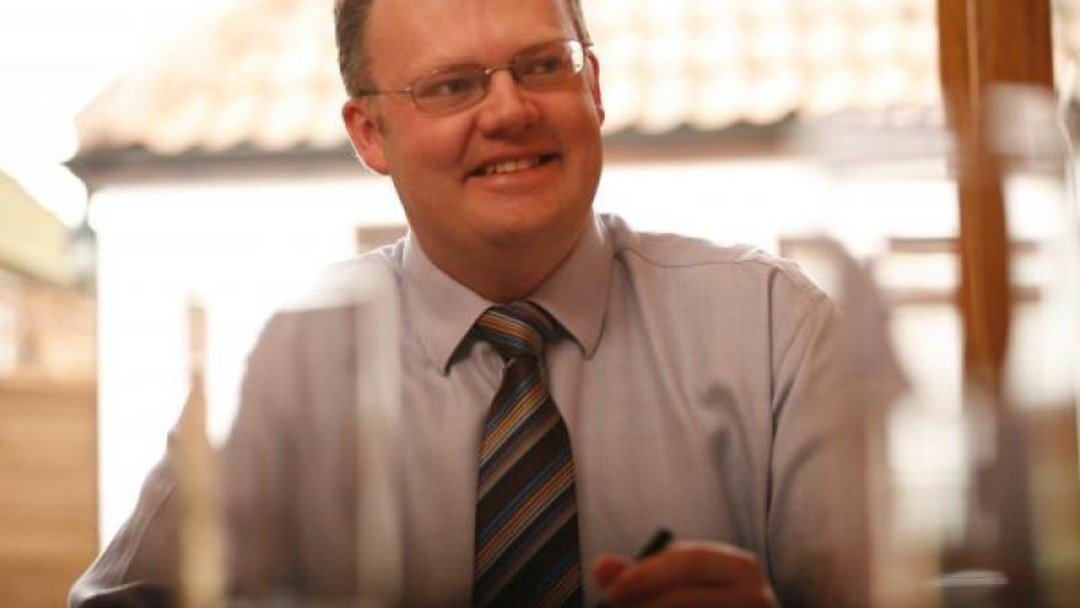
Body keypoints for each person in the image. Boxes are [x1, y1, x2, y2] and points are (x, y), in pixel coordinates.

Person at [71, 0, 870, 606]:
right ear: (370, 134)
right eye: (452, 86)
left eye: (543, 66)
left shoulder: (775, 331)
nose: (510, 111)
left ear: (593, 87)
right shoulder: (285, 367)